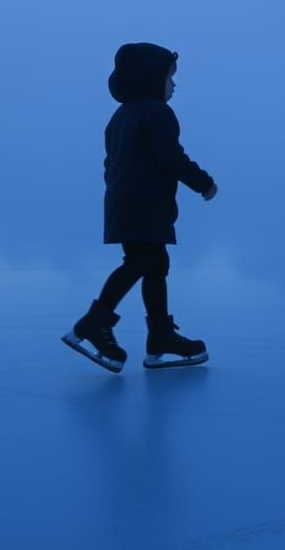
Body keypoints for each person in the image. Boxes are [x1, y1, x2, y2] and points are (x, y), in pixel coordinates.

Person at [62, 42, 217, 372]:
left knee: (155, 263)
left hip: (126, 202)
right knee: (141, 262)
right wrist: (203, 182)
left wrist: (123, 195)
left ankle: (160, 337)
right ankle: (93, 323)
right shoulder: (158, 113)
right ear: (150, 79)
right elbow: (171, 157)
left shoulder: (120, 117)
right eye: (169, 78)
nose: (174, 85)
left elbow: (110, 165)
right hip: (143, 204)